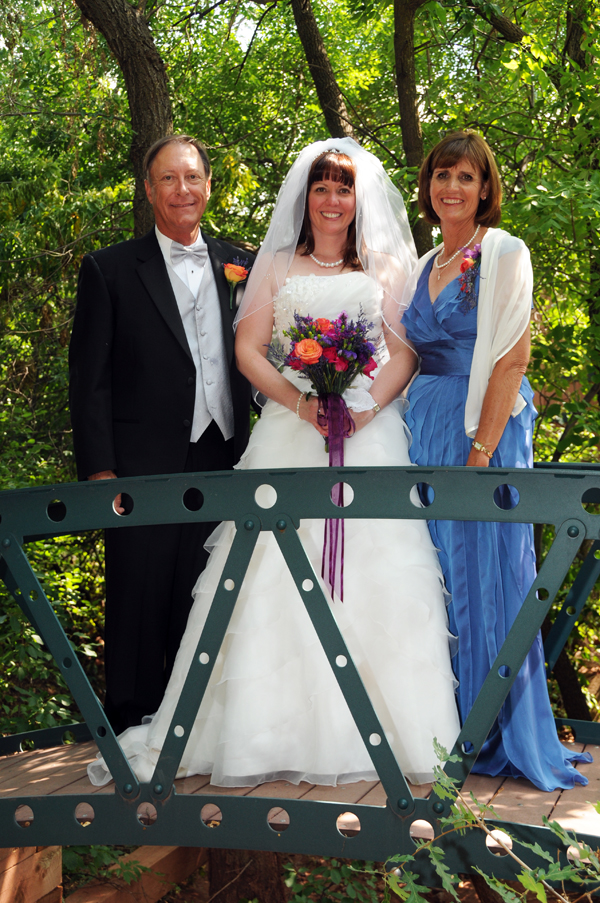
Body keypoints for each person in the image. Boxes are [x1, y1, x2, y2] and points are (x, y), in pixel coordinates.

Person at [87, 137, 460, 789]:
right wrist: (302, 402)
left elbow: (404, 352)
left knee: (380, 580)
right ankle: (260, 734)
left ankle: (389, 735)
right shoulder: (276, 264)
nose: (332, 200)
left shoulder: (385, 267)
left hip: (368, 441)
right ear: (306, 197)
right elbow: (248, 348)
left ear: (358, 198)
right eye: (321, 188)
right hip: (289, 435)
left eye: (343, 189)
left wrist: (363, 408)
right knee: (266, 581)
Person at [402, 130, 590, 791]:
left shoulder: (504, 253)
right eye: (441, 174)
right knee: (442, 574)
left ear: (486, 189)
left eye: (465, 176)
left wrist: (481, 450)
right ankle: (452, 724)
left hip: (483, 431)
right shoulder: (423, 264)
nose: (451, 186)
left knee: (492, 571)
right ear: (427, 185)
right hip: (424, 431)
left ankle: (501, 731)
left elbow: (513, 357)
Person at [69, 135, 254, 735]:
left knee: (208, 594)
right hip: (140, 464)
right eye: (168, 180)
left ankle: (198, 732)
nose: (182, 190)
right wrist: (102, 473)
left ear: (208, 185)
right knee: (138, 599)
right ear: (148, 190)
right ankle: (130, 731)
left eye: (192, 178)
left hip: (225, 453)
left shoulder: (244, 264)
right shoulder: (109, 269)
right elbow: (89, 381)